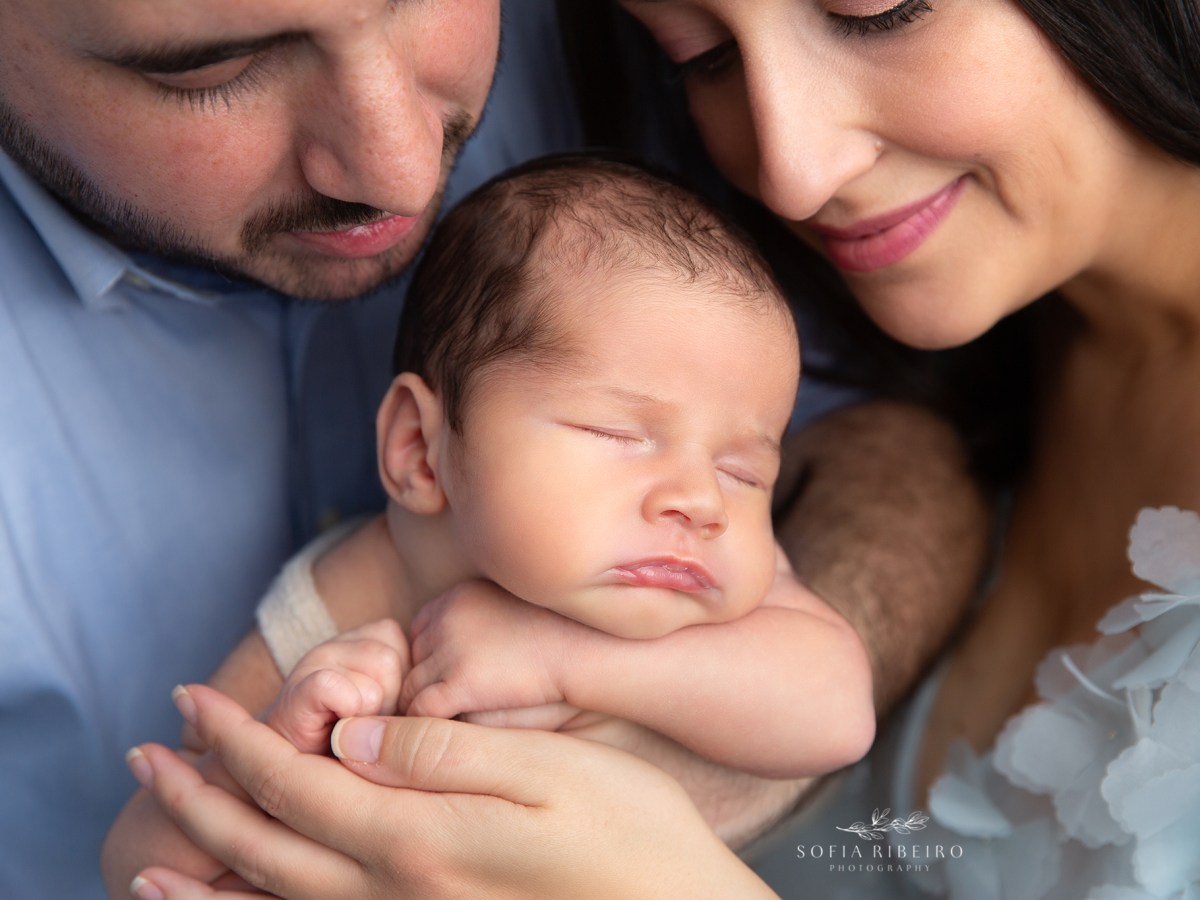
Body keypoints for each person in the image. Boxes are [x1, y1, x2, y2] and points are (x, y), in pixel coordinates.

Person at [124, 0, 1200, 897]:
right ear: (419, 448)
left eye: (877, 9)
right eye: (707, 59)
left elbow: (822, 701)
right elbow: (156, 839)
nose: (788, 171)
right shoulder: (930, 354)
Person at [103, 153, 877, 892]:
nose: (703, 503)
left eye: (746, 474)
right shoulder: (339, 615)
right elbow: (137, 862)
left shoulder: (697, 585)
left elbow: (837, 714)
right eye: (618, 435)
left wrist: (565, 662)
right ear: (420, 451)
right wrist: (277, 740)